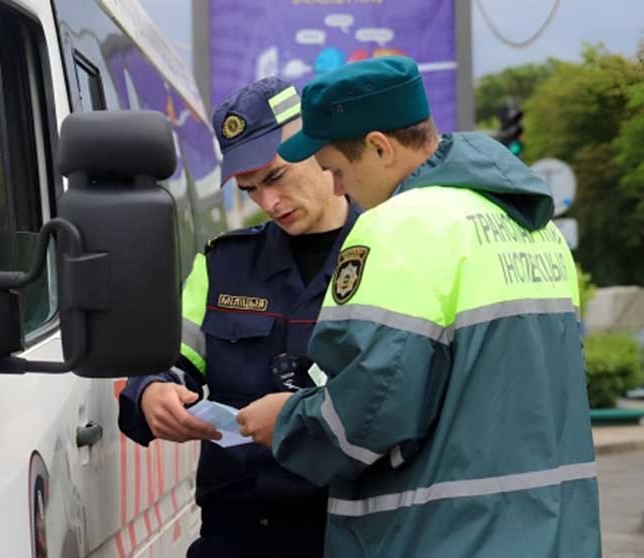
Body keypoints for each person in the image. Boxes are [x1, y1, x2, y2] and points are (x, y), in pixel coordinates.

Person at [236, 56, 600, 558]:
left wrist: (289, 423)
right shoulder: (534, 229)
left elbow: (371, 410)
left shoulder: (401, 226)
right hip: (554, 534)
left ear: (379, 147)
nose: (338, 189)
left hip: (443, 538)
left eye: (336, 170)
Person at [118, 76, 359, 558]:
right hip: (238, 537)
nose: (267, 203)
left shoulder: (390, 252)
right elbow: (169, 357)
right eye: (250, 190)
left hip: (350, 538)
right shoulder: (222, 265)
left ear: (316, 145)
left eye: (275, 177)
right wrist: (153, 391)